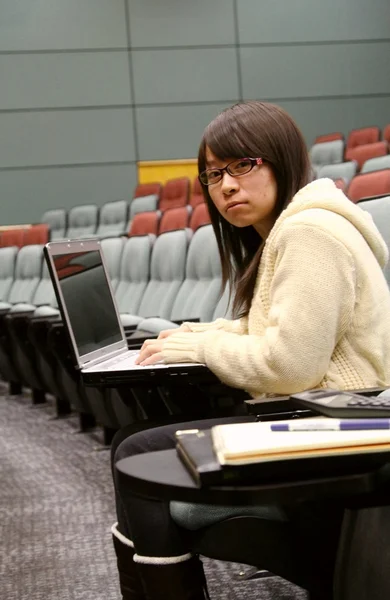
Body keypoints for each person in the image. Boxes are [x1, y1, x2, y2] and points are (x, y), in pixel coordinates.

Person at [110, 101, 390, 599]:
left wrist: (205, 345)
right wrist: (198, 337)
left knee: (136, 452)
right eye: (214, 174)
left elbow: (287, 365)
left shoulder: (308, 233)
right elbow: (271, 327)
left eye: (243, 164)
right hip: (326, 419)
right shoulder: (295, 230)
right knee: (136, 441)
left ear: (281, 159)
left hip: (340, 434)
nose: (227, 185)